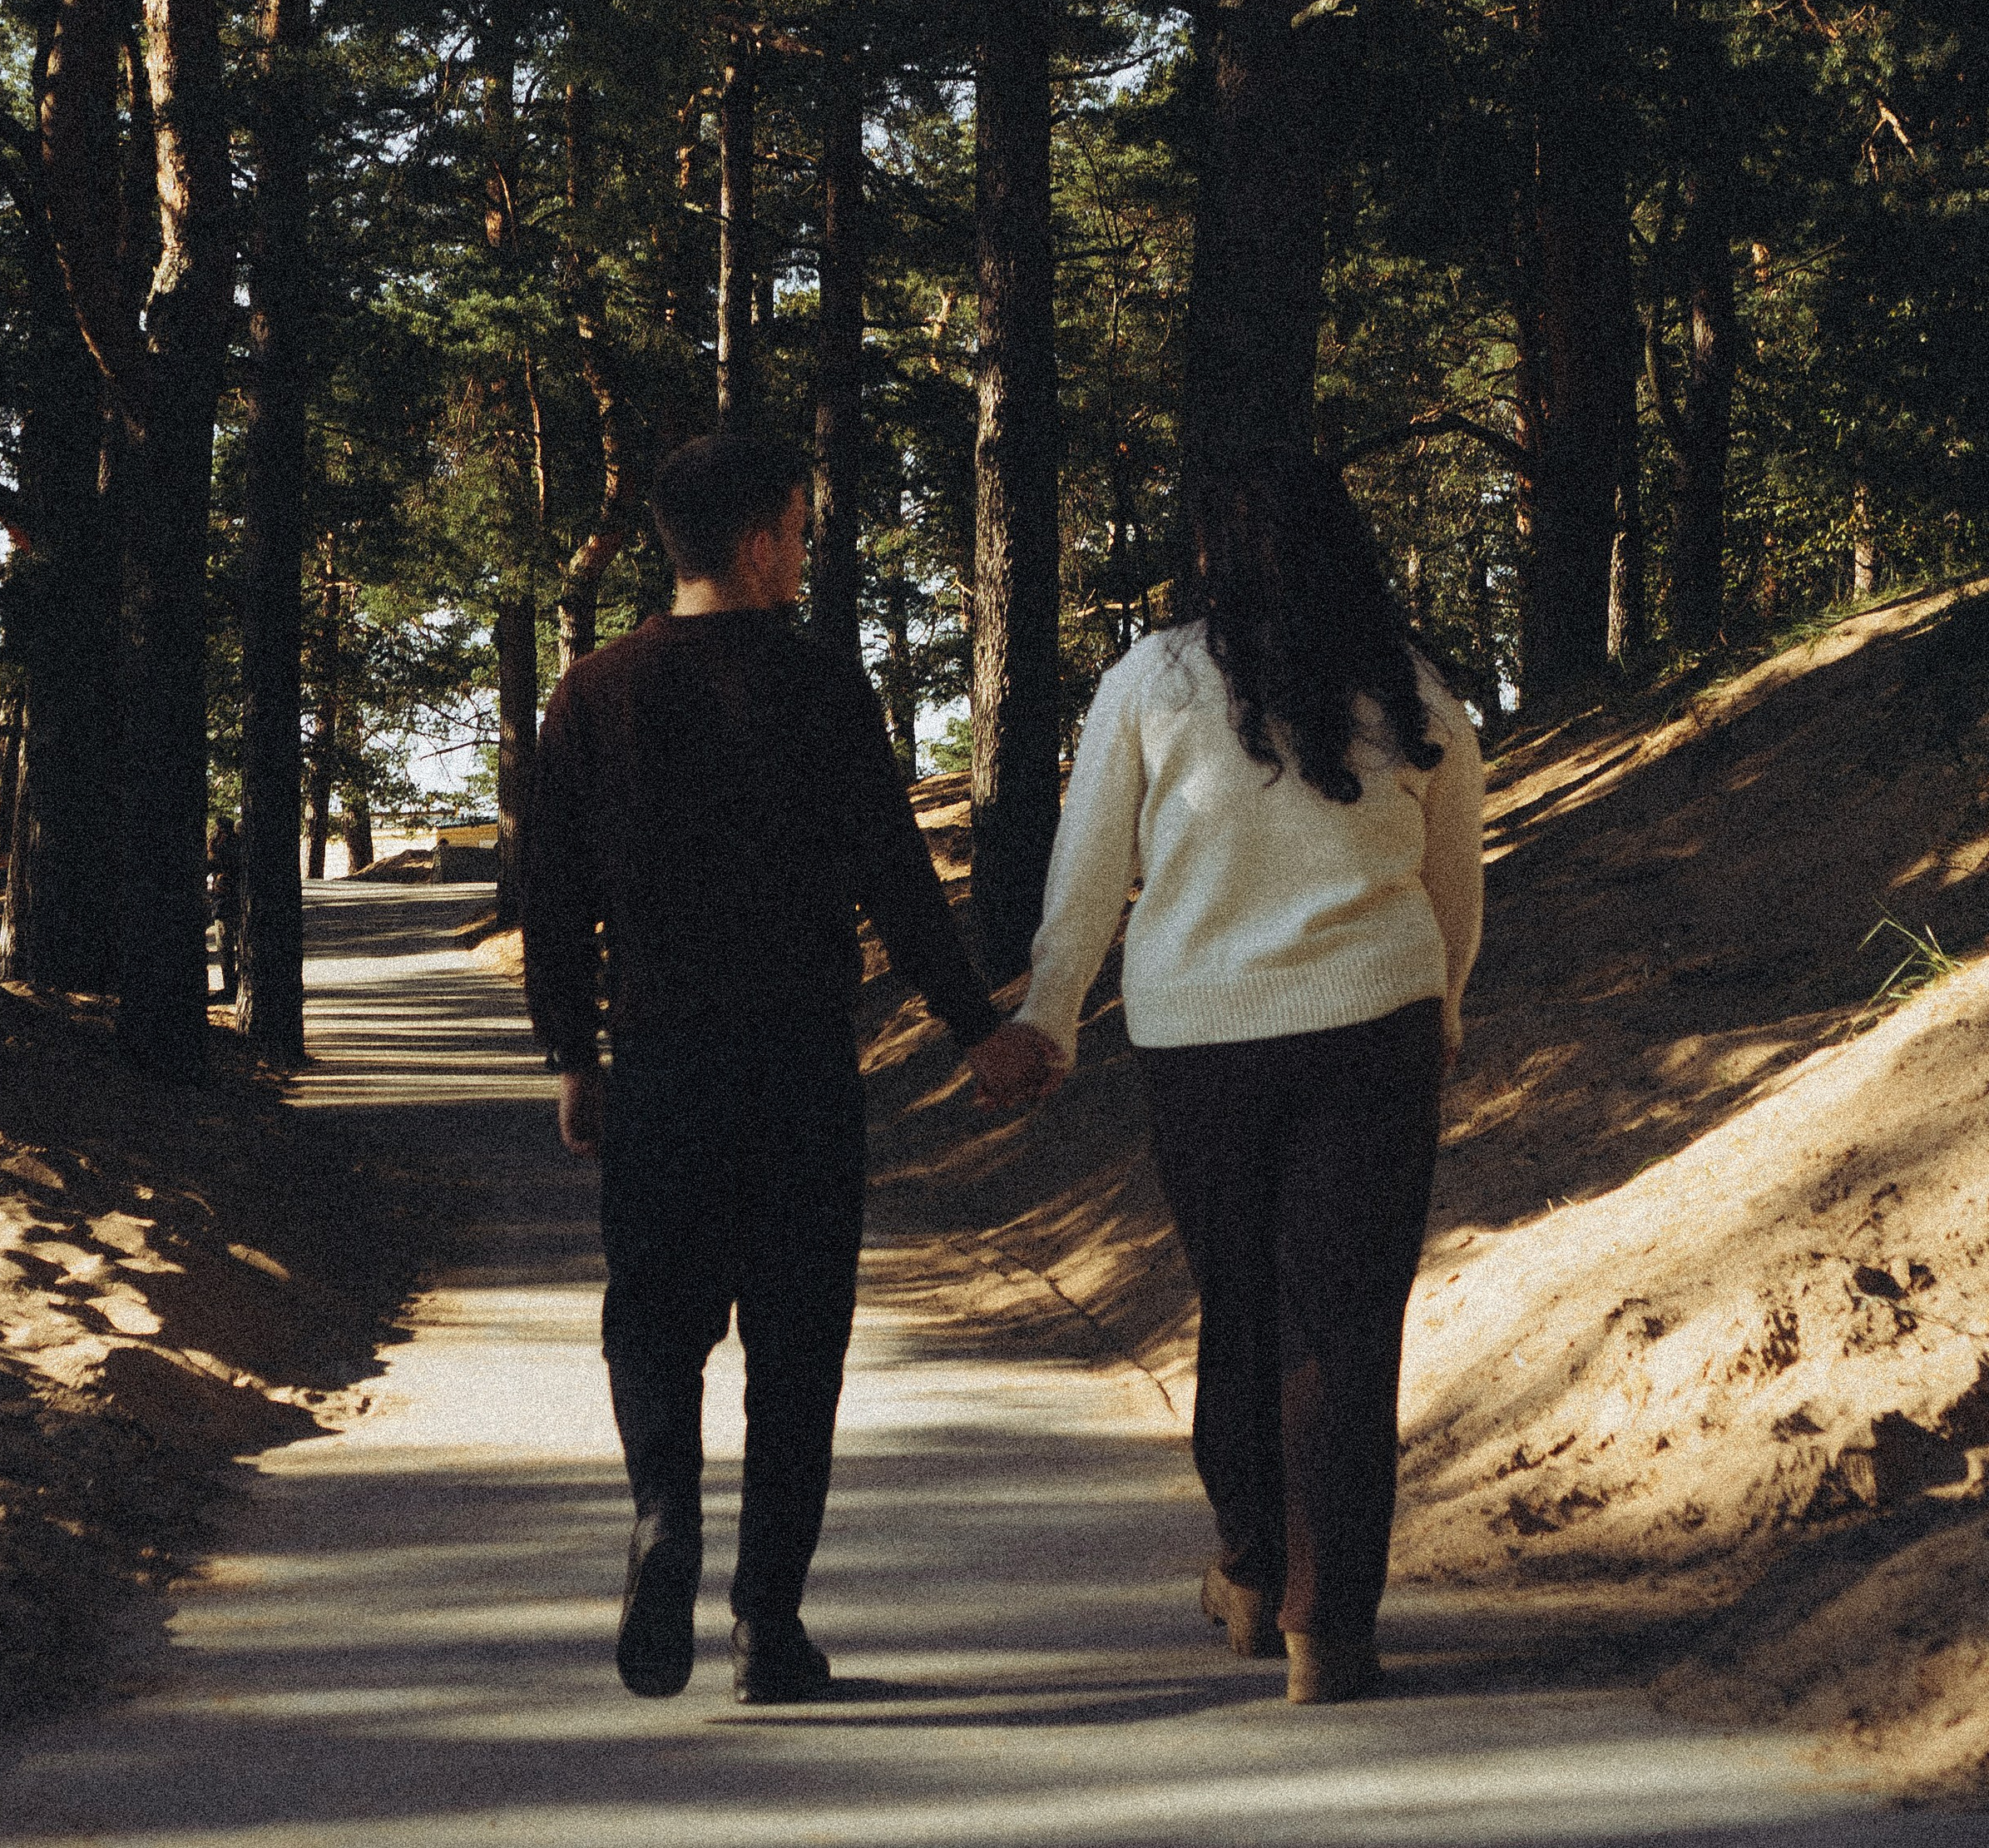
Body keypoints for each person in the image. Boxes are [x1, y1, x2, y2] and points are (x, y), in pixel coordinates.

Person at [522, 429, 1047, 1707]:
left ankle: (662, 1517)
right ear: (761, 541)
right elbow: (894, 876)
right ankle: (769, 1629)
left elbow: (549, 895)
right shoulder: (821, 689)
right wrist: (976, 1030)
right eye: (802, 531)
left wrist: (572, 1054)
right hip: (800, 1067)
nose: (805, 554)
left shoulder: (592, 693)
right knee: (796, 1349)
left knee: (653, 1321)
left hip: (658, 1061)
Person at [1010, 447, 1484, 1705]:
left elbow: (1088, 872)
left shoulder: (1150, 683)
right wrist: (1440, 1012)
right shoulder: (1414, 689)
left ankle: (1248, 1561)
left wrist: (1050, 1021)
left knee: (1241, 1305)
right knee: (1346, 1326)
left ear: (1213, 555)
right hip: (1373, 1028)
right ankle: (1329, 1625)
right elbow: (1455, 891)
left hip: (1200, 1043)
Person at [205, 815, 242, 1003]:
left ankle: (231, 987)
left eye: (218, 831)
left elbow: (210, 864)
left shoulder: (226, 848)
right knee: (235, 947)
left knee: (226, 947)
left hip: (226, 904)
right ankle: (235, 984)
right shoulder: (238, 847)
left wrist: (212, 851)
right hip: (232, 903)